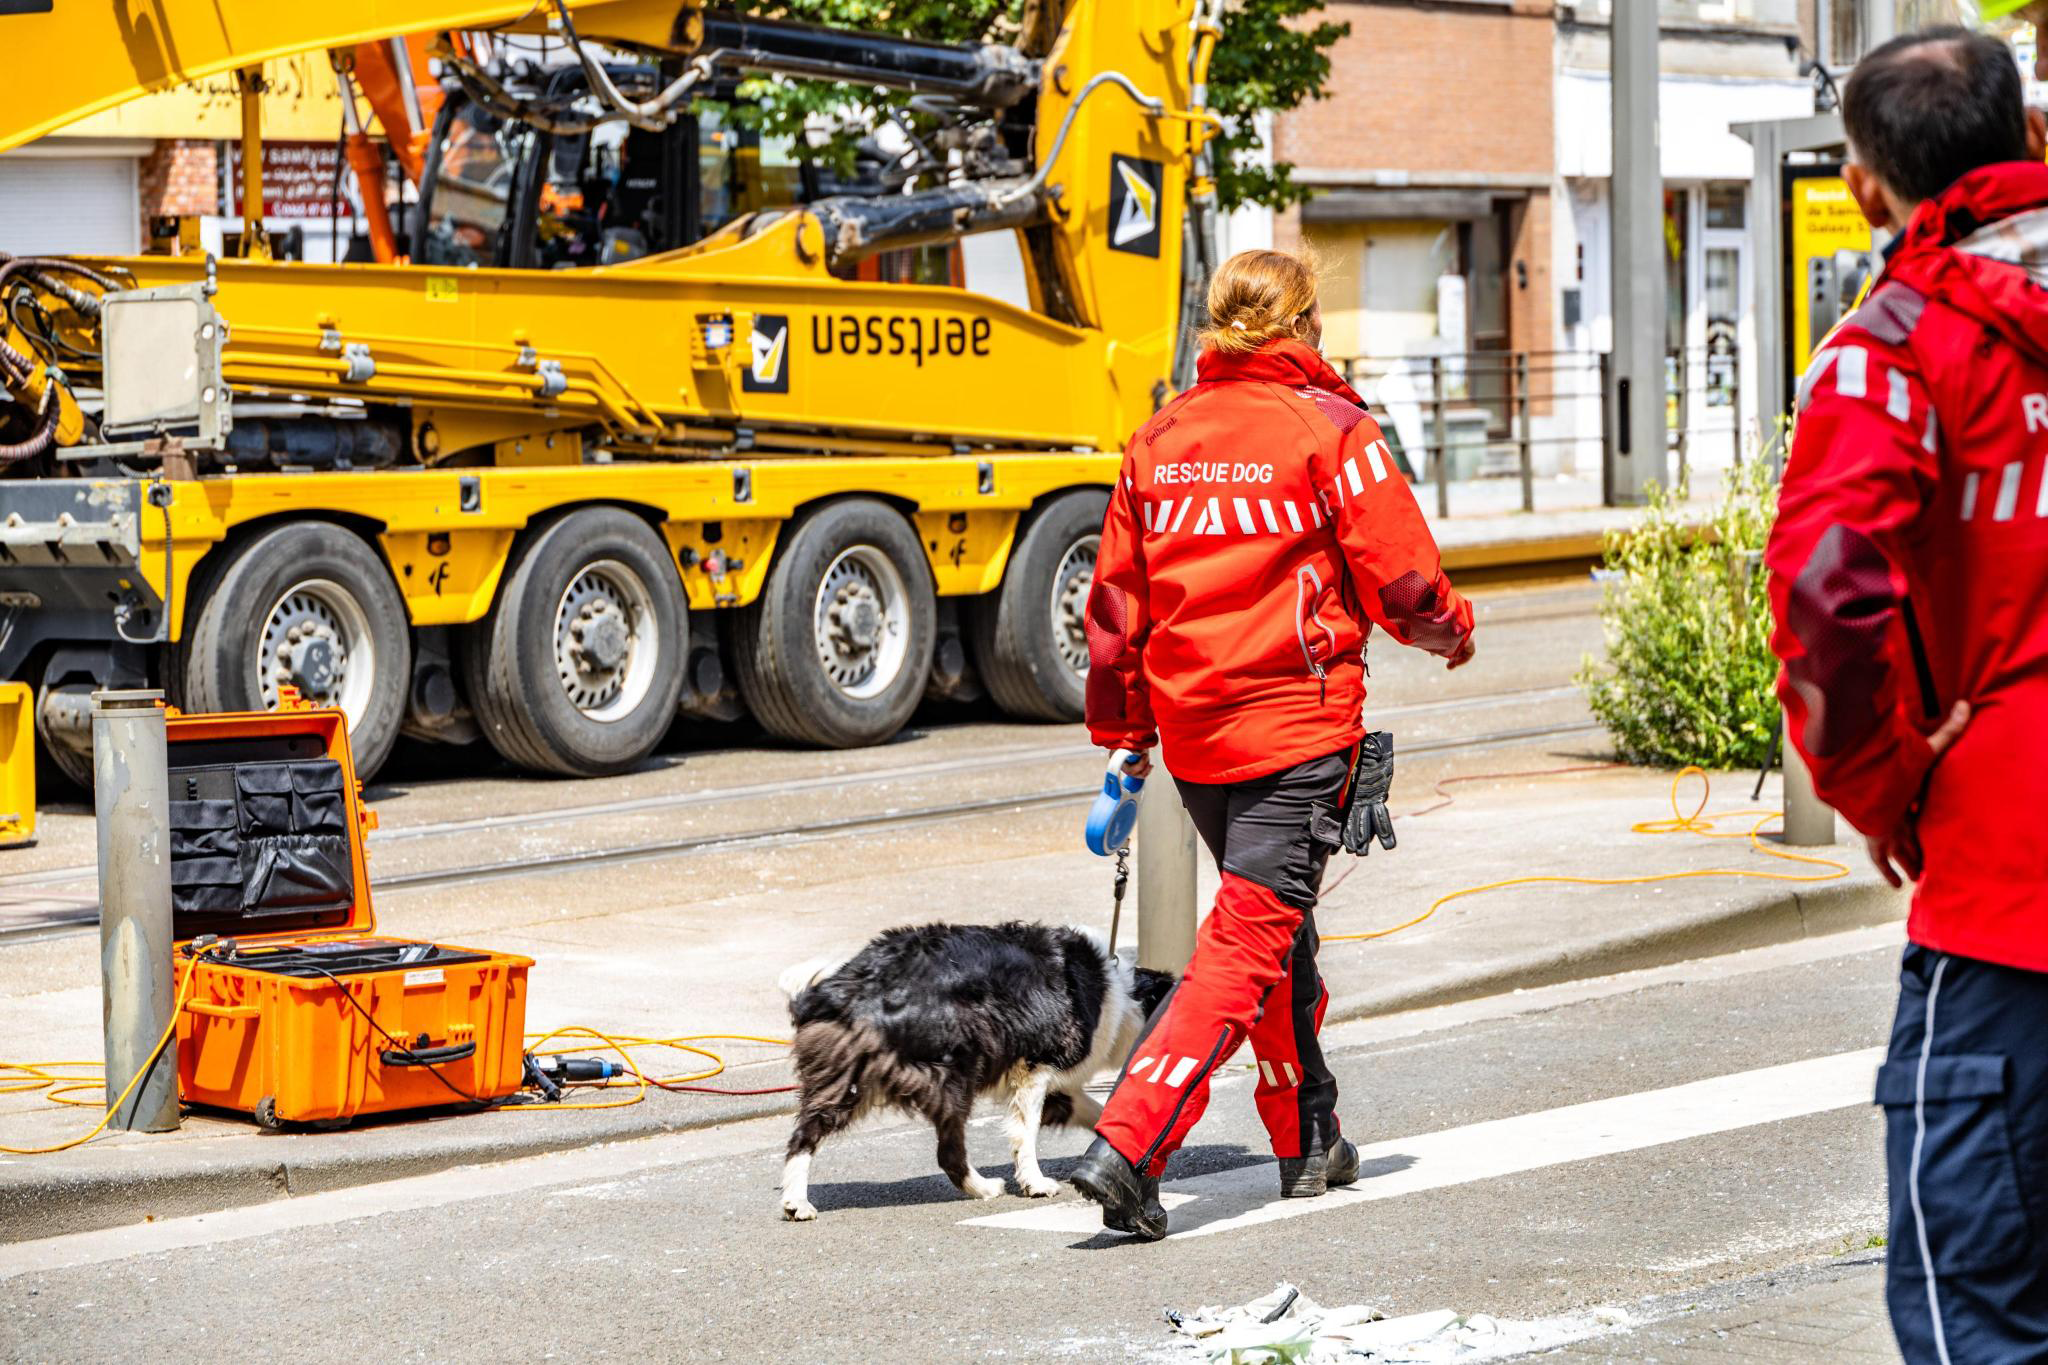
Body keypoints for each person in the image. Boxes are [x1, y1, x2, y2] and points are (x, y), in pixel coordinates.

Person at [1067, 249, 1476, 1240]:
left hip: (1197, 745)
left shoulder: (1156, 439)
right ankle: (1130, 1142)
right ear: (1301, 328)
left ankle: (1307, 1139)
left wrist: (1125, 729)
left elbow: (1115, 606)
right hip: (1295, 732)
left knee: (1275, 939)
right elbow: (1405, 585)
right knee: (1243, 944)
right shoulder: (1329, 430)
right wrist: (1451, 630)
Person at [1763, 26, 2048, 1363]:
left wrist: (1894, 791)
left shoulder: (1895, 350)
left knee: (1971, 1310)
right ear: (2029, 144)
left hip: (2011, 890)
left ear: (1867, 188)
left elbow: (1828, 598)